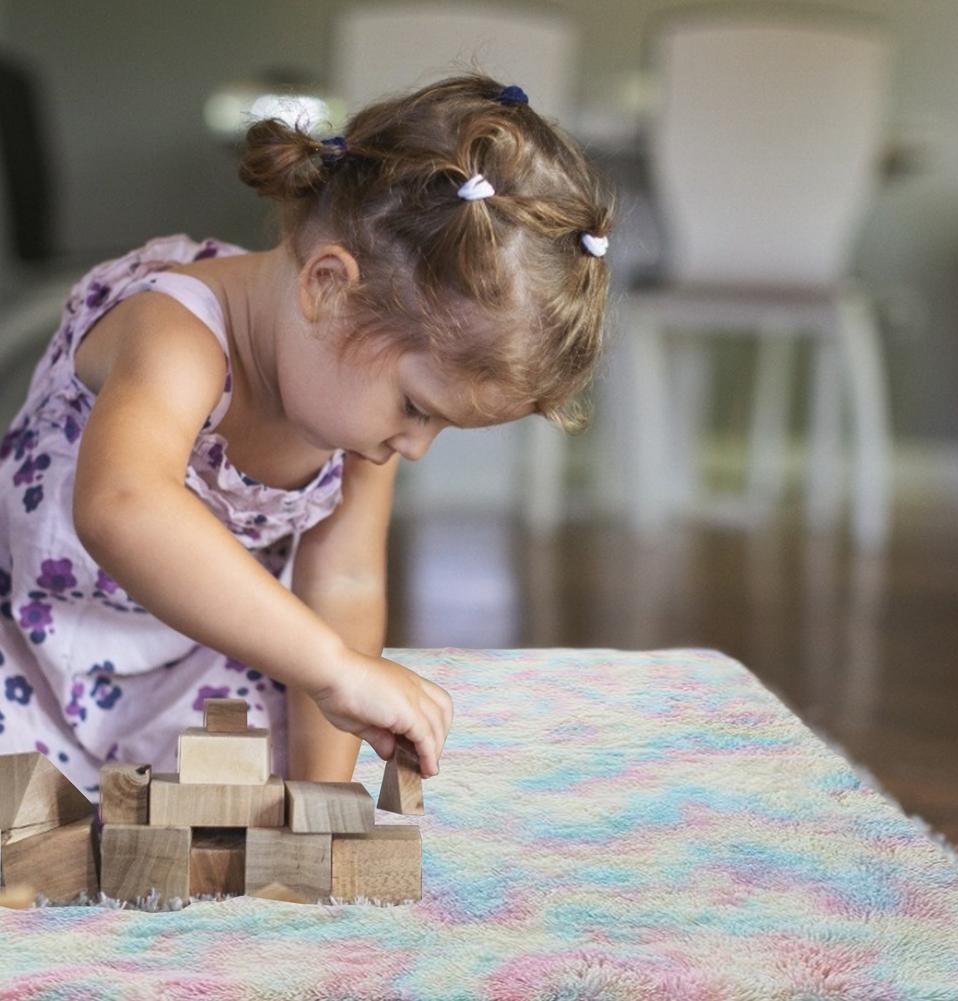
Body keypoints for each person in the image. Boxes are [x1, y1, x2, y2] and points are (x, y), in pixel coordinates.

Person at [0, 72, 615, 803]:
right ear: (327, 287)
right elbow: (123, 505)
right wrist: (333, 668)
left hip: (190, 664)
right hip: (24, 645)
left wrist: (318, 802)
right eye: (417, 406)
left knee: (259, 786)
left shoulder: (359, 422)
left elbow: (346, 582)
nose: (415, 446)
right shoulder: (175, 331)